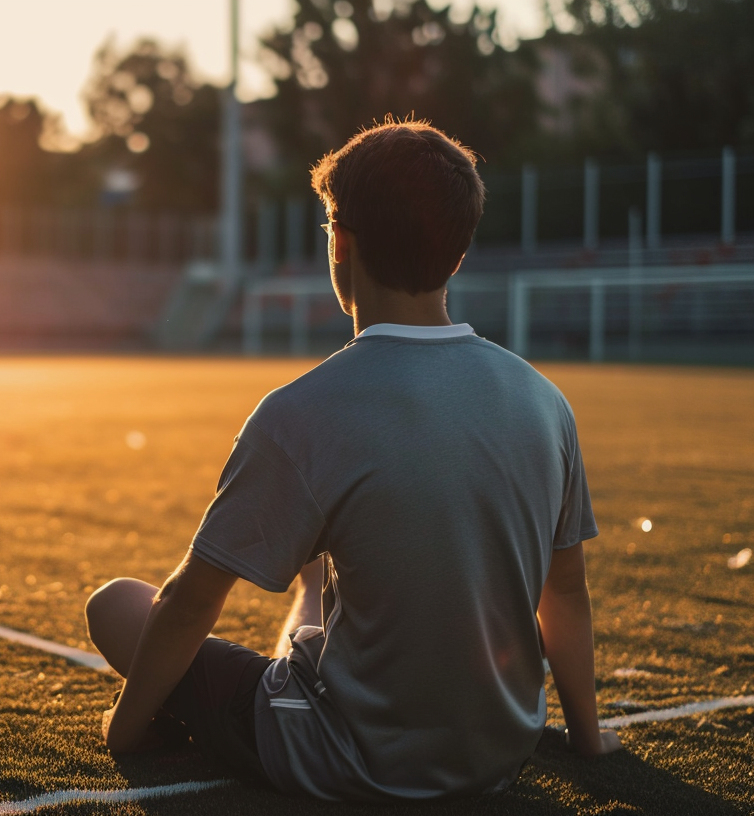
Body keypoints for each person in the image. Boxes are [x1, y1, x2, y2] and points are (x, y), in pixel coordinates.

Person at [84, 118, 622, 802]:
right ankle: (313, 594)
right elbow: (565, 592)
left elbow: (190, 604)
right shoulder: (545, 401)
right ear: (457, 255)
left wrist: (125, 730)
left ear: (339, 239)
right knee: (320, 583)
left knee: (117, 606)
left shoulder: (300, 412)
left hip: (347, 759)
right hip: (499, 754)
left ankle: (309, 616)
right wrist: (586, 735)